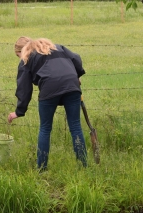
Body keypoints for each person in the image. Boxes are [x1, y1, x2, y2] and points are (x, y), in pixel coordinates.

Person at [8, 37, 87, 170]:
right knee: (75, 126)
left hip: (49, 87)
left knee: (45, 128)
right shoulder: (58, 48)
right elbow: (76, 58)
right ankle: (83, 166)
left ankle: (42, 168)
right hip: (72, 85)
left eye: (18, 55)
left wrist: (18, 111)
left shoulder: (26, 57)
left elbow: (24, 88)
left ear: (21, 51)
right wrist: (76, 75)